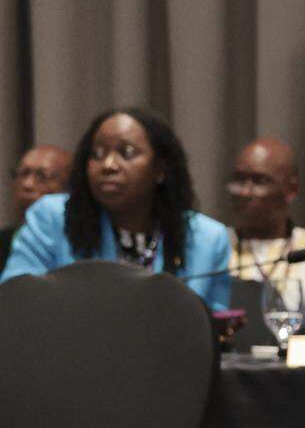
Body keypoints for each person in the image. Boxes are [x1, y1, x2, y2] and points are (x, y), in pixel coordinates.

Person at [0, 108, 230, 310]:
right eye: (97, 154)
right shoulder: (52, 219)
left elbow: (212, 325)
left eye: (126, 153)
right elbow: (15, 298)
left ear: (161, 168)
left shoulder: (208, 239)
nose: (108, 165)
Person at [226, 138, 305, 289]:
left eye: (260, 181)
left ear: (291, 189)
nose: (245, 192)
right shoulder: (215, 247)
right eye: (239, 179)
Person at [1, 145, 71, 272]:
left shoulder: (79, 246)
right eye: (23, 173)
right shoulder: (3, 241)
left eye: (42, 176)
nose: (27, 184)